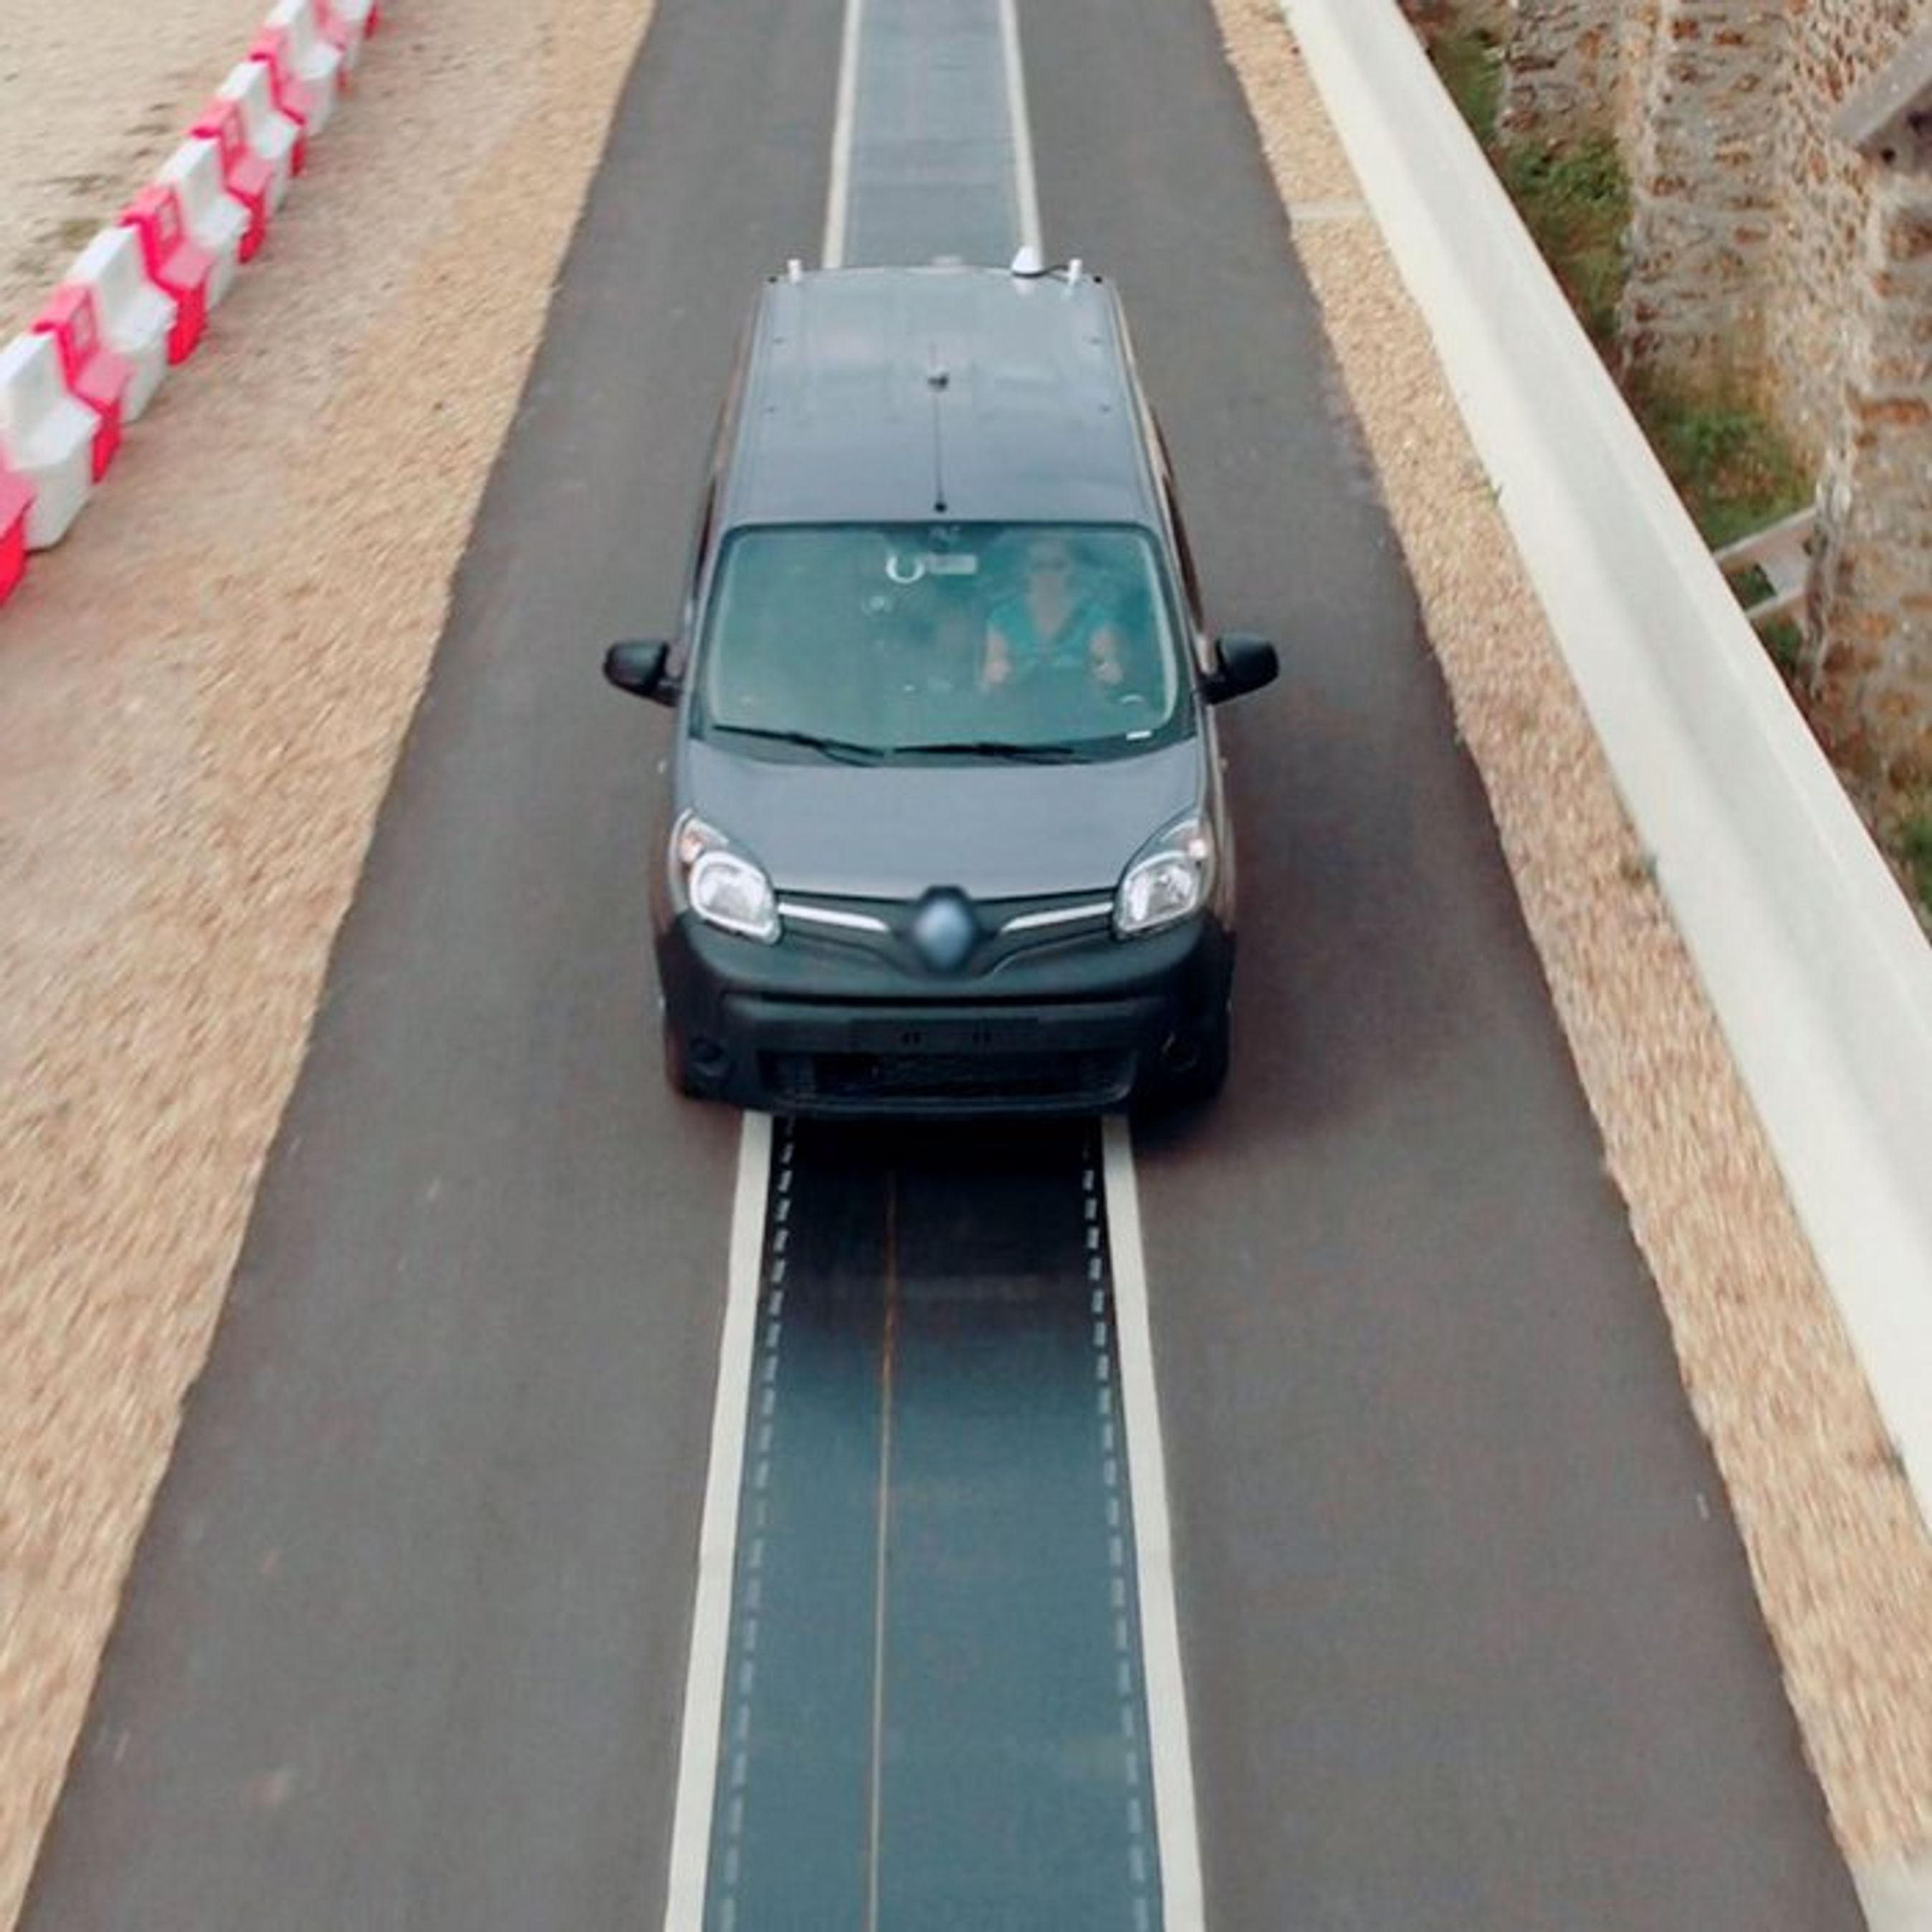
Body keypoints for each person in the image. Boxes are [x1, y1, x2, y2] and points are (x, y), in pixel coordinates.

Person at [980, 535, 1127, 693]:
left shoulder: (1095, 617)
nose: (1047, 574)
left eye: (1058, 566)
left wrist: (1109, 671)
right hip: (1018, 711)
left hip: (1080, 708)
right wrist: (997, 671)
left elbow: (1108, 665)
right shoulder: (1003, 618)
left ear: (1072, 568)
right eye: (1038, 566)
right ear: (1024, 570)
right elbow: (989, 677)